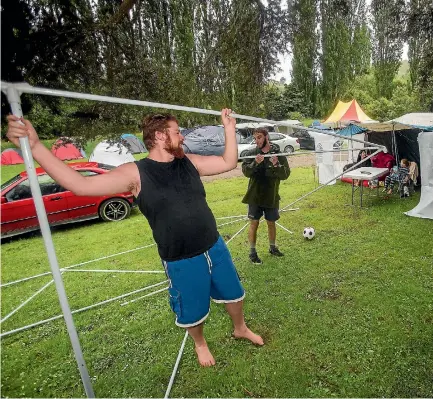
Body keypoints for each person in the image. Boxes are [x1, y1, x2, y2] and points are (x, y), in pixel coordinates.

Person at [6, 109, 264, 368]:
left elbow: (227, 162)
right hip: (180, 258)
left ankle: (240, 328)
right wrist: (37, 147)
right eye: (177, 133)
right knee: (192, 310)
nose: (182, 138)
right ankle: (200, 343)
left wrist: (229, 128)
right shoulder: (136, 173)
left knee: (234, 293)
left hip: (213, 245)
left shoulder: (189, 162)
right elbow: (81, 186)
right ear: (161, 136)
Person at [241, 128, 290, 264]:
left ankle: (273, 248)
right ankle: (252, 253)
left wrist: (277, 165)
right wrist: (255, 163)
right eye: (255, 138)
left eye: (259, 137)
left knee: (271, 222)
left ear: (267, 137)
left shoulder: (277, 153)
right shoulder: (251, 153)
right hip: (255, 196)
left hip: (271, 195)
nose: (257, 141)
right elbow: (246, 172)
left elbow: (285, 174)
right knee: (254, 223)